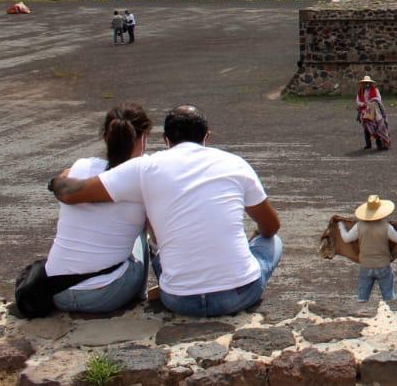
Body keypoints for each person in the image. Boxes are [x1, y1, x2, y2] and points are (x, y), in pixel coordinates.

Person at [49, 105, 282, 318]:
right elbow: (271, 226)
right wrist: (253, 236)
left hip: (179, 299)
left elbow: (70, 193)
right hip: (239, 294)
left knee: (154, 238)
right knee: (273, 242)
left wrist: (56, 181)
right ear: (207, 137)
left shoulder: (144, 168)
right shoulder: (236, 163)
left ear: (165, 140)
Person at [44, 105, 152, 313]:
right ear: (143, 138)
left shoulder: (80, 166)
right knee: (142, 232)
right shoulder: (144, 175)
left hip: (58, 291)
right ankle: (141, 296)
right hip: (105, 294)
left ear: (105, 136)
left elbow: (62, 183)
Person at [337, 195, 397, 301]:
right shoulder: (386, 227)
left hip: (365, 265)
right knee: (389, 298)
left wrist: (341, 226)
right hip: (383, 266)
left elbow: (346, 238)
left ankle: (361, 314)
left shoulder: (359, 226)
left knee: (362, 298)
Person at [356, 76, 390, 151]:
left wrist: (371, 102)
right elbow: (358, 101)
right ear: (363, 83)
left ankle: (380, 144)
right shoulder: (360, 91)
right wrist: (364, 104)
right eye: (365, 83)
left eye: (368, 83)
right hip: (365, 112)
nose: (366, 84)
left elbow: (379, 99)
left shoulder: (375, 90)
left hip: (375, 111)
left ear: (370, 83)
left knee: (378, 128)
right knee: (367, 129)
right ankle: (368, 144)